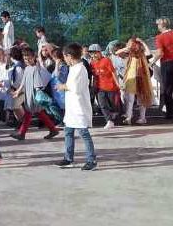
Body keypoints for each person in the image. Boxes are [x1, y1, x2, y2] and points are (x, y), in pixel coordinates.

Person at [55, 43, 97, 171]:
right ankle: (68, 158)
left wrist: (62, 87)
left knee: (84, 133)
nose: (64, 59)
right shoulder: (74, 68)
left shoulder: (80, 69)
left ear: (70, 56)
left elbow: (75, 88)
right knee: (68, 132)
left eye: (65, 56)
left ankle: (91, 160)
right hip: (72, 108)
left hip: (79, 107)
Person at [9, 47, 59, 141]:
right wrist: (18, 91)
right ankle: (53, 129)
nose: (27, 60)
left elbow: (38, 84)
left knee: (30, 113)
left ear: (33, 57)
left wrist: (38, 94)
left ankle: (22, 133)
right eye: (25, 59)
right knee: (38, 113)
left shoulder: (36, 68)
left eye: (29, 58)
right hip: (29, 95)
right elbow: (23, 81)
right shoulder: (27, 68)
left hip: (33, 95)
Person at [116, 38, 153, 125]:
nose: (134, 47)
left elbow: (149, 53)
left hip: (141, 77)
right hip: (131, 77)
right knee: (130, 98)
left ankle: (142, 118)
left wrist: (143, 42)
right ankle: (128, 117)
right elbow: (117, 52)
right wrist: (127, 48)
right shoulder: (130, 54)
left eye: (134, 45)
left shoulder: (142, 54)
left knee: (141, 98)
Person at [89, 44, 121, 129]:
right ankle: (109, 121)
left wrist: (118, 84)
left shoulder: (106, 60)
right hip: (100, 88)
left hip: (111, 87)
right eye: (91, 53)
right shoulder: (92, 63)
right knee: (102, 104)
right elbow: (93, 76)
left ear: (100, 52)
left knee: (113, 104)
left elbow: (113, 72)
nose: (93, 55)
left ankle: (116, 113)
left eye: (95, 53)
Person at [50, 48, 69, 117]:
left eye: (53, 57)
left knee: (63, 106)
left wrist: (57, 65)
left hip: (61, 90)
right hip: (57, 91)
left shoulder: (63, 66)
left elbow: (57, 76)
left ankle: (65, 121)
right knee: (60, 106)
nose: (53, 59)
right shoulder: (59, 66)